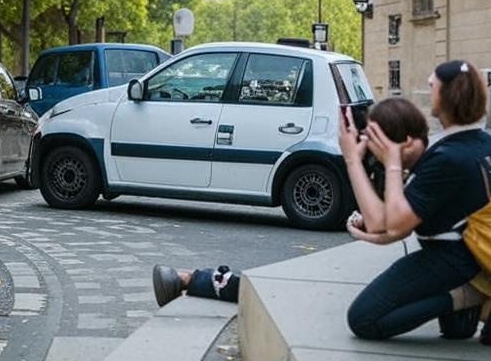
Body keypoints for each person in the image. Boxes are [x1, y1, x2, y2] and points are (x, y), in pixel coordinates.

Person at [151, 96, 433, 310]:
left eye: (374, 141)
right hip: (426, 266)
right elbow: (385, 224)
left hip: (432, 271)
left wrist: (355, 161)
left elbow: (383, 225)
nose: (371, 149)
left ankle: (195, 280)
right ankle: (198, 280)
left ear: (402, 142)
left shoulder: (432, 170)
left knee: (303, 292)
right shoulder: (423, 168)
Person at [339, 59, 491, 345]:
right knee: (457, 331)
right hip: (480, 255)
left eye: (433, 86)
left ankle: (469, 295)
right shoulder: (481, 143)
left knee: (363, 319)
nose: (429, 89)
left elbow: (386, 224)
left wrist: (355, 160)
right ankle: (464, 302)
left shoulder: (447, 159)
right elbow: (395, 221)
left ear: (446, 96)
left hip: (454, 259)